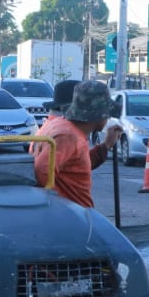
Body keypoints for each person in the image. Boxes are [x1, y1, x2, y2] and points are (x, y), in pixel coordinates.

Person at [31, 80, 122, 209]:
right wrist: (56, 203)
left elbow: (75, 164)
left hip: (73, 213)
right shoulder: (68, 136)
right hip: (72, 216)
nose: (108, 118)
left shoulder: (67, 129)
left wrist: (106, 145)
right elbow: (42, 168)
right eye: (107, 114)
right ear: (99, 115)